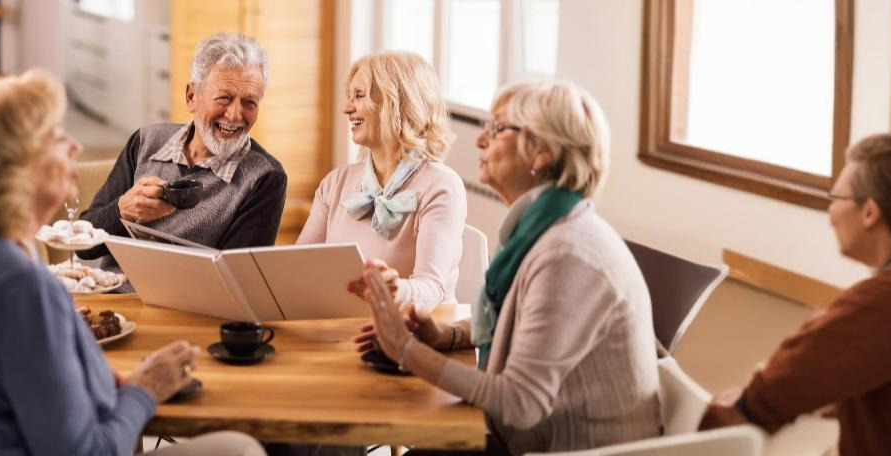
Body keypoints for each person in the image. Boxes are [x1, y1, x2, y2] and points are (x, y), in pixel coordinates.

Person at [0, 72, 264, 456]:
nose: (75, 145)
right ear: (12, 166)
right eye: (56, 136)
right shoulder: (17, 286)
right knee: (239, 449)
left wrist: (109, 381)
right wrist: (145, 391)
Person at [355, 81, 660, 454]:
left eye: (498, 129)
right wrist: (444, 336)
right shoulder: (545, 228)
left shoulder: (567, 254)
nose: (481, 141)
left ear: (542, 151)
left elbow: (519, 402)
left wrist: (406, 350)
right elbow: (519, 322)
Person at [700, 133, 891, 453]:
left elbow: (760, 401)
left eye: (835, 198)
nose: (831, 214)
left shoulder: (886, 303)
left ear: (870, 212)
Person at [79, 31, 287, 268]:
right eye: (224, 98)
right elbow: (83, 245)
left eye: (250, 102)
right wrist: (121, 210)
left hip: (186, 305)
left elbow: (238, 282)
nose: (235, 115)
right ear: (191, 97)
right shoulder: (145, 142)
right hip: (113, 297)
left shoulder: (265, 178)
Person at [299, 51, 465, 312]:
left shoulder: (442, 186)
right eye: (349, 96)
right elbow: (299, 266)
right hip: (346, 327)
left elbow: (432, 287)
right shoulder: (336, 182)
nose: (347, 107)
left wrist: (395, 290)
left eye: (359, 95)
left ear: (397, 103)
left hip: (416, 332)